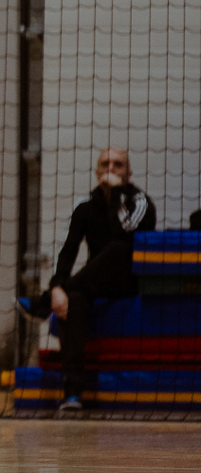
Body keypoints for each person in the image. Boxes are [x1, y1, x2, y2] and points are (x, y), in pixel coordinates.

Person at [17, 147, 155, 412]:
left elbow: (122, 232)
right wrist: (57, 288)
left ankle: (42, 303)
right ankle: (72, 394)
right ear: (96, 171)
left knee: (120, 247)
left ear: (128, 173)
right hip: (94, 282)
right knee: (73, 299)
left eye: (118, 164)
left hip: (128, 283)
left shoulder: (140, 202)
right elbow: (68, 251)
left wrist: (116, 193)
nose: (111, 168)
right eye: (105, 164)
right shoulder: (86, 208)